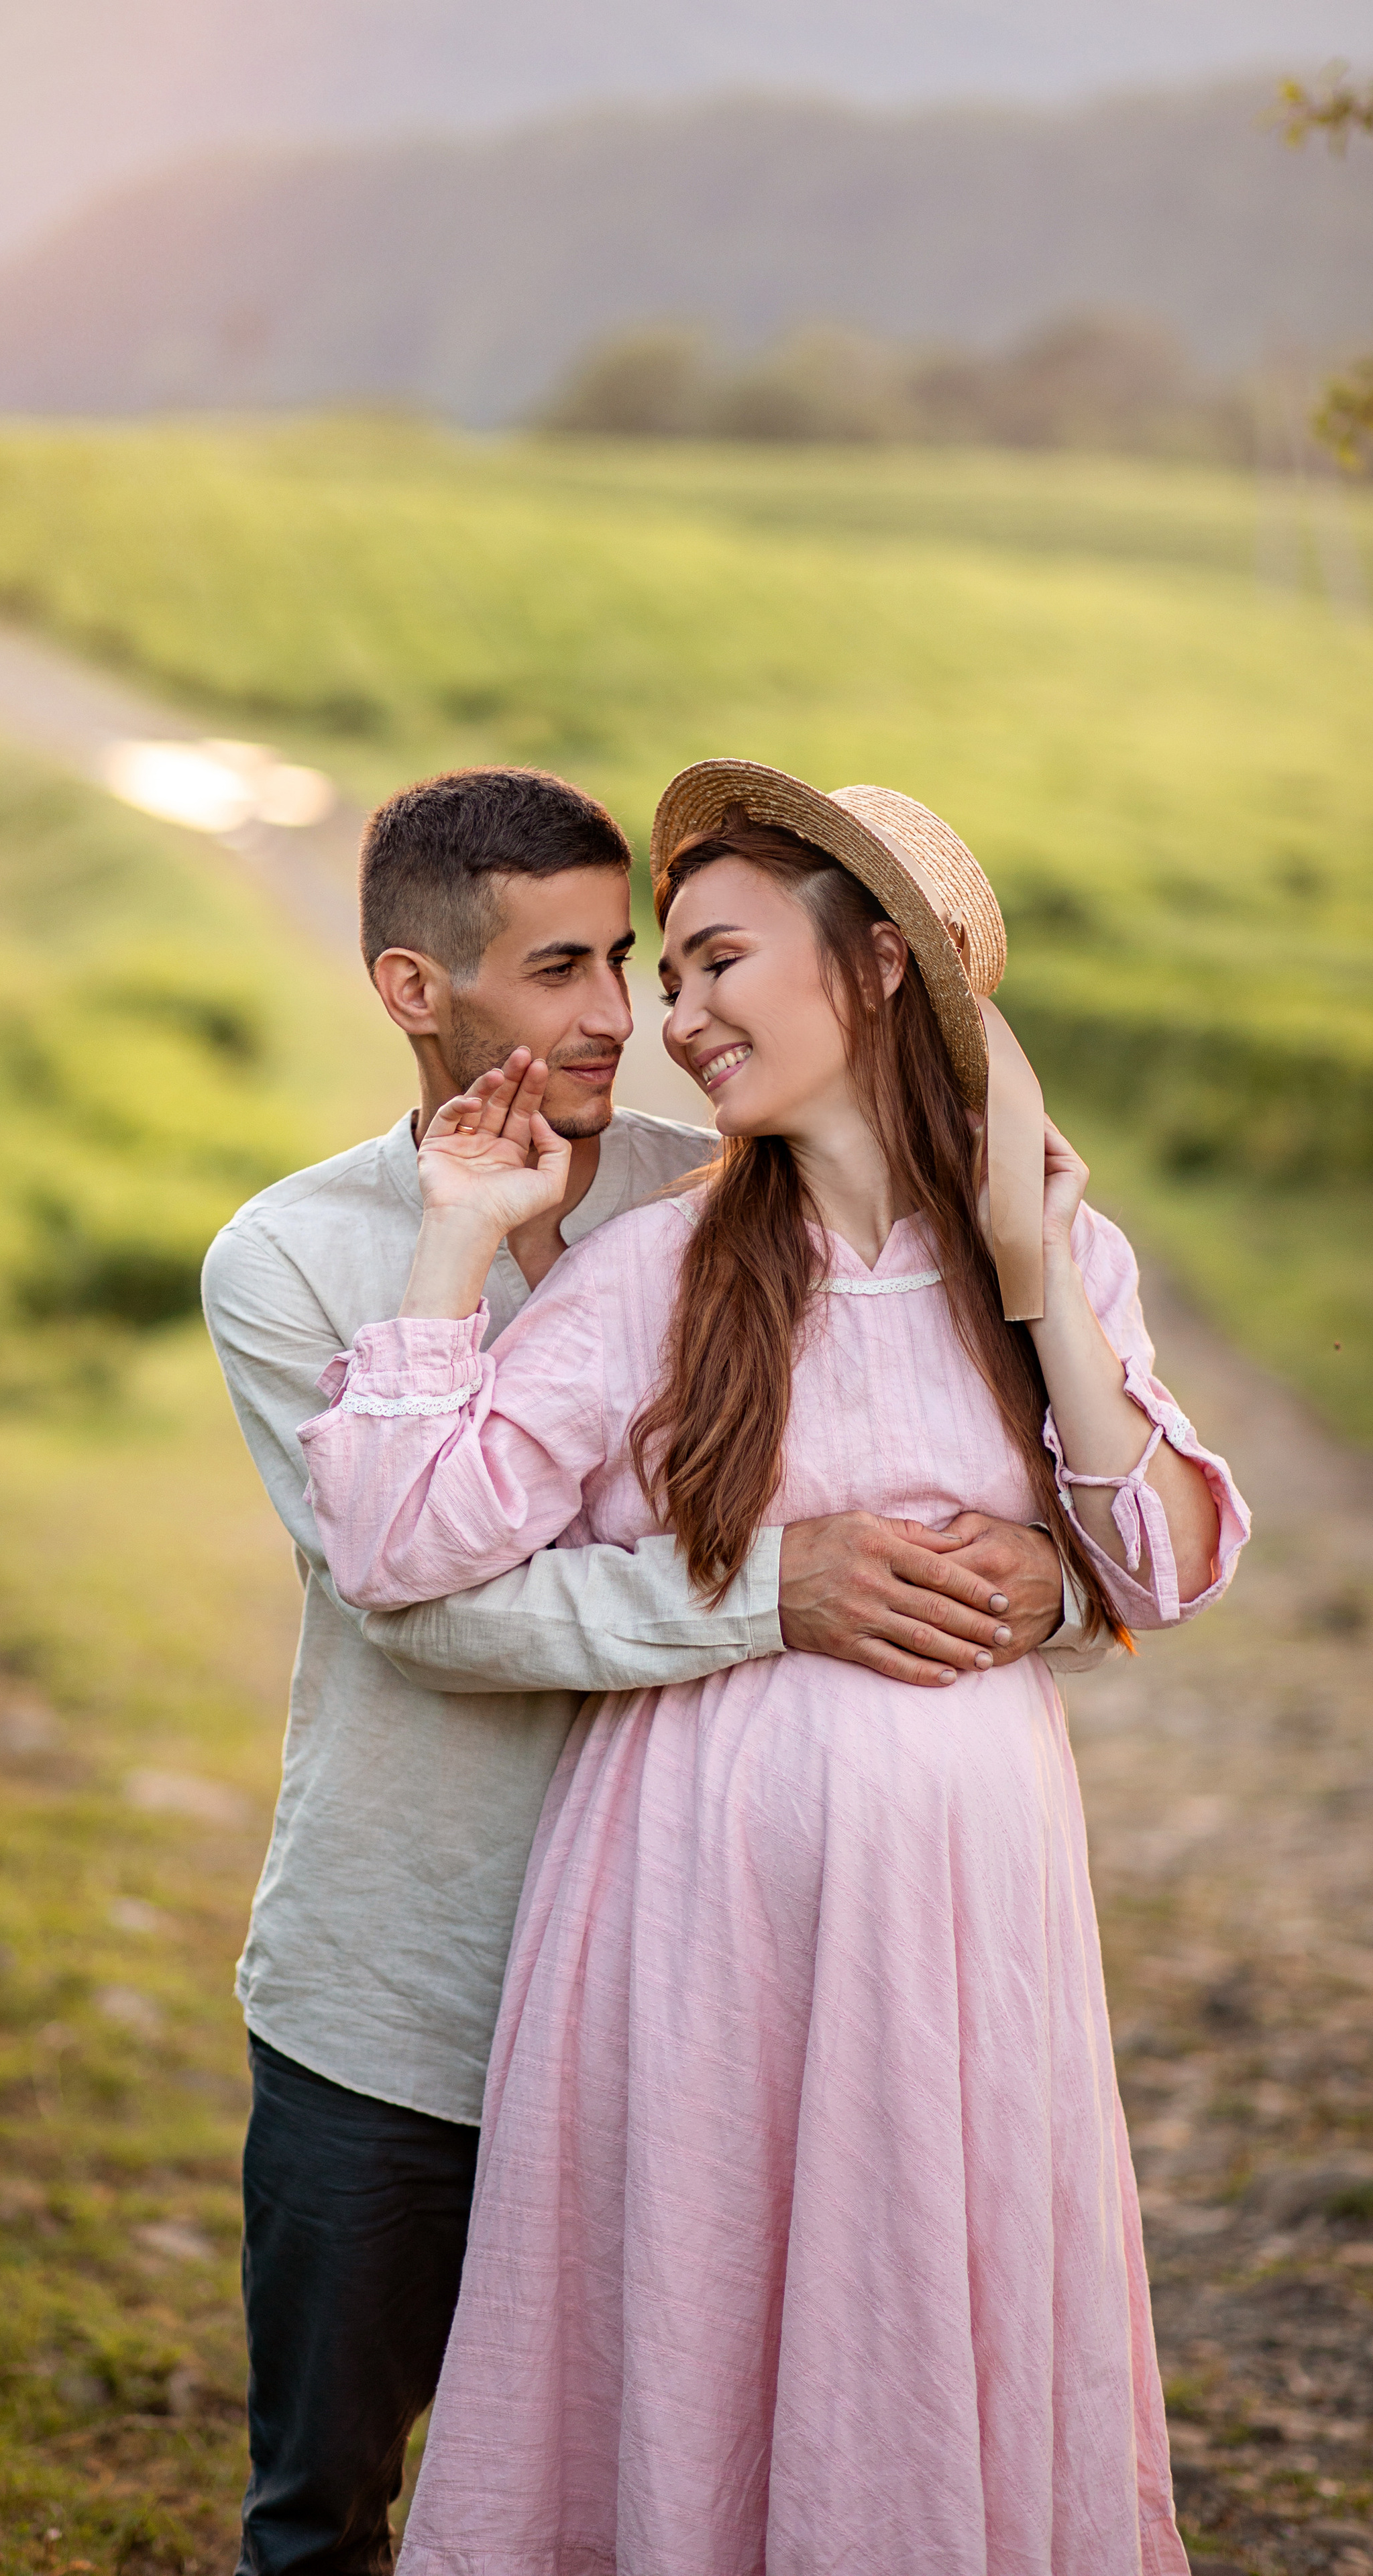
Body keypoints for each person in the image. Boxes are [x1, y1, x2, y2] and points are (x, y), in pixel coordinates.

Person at [298, 765, 1250, 2575]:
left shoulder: (1048, 1267)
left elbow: (1165, 1565)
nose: (677, 1016)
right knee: (696, 2317)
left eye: (721, 960)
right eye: (673, 975)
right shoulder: (661, 1269)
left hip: (970, 1923)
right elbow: (404, 1543)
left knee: (922, 2313)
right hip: (696, 1912)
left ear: (878, 968)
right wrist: (452, 1240)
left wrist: (1038, 1267)